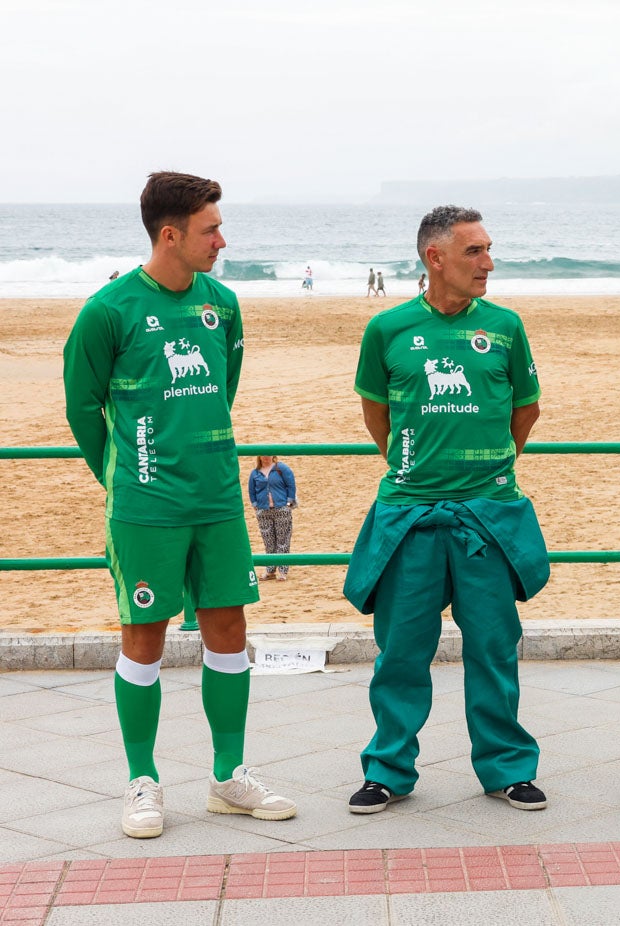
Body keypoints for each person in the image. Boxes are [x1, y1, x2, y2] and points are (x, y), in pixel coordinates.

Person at [62, 171, 296, 840]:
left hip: (220, 500)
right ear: (171, 234)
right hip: (145, 507)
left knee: (229, 632)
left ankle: (228, 777)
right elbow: (84, 409)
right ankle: (143, 781)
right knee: (145, 637)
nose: (221, 240)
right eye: (210, 230)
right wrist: (127, 477)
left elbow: (223, 389)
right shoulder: (108, 310)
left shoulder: (222, 303)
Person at [344, 205, 550, 815]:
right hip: (410, 514)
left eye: (488, 250)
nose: (487, 263)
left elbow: (526, 411)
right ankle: (388, 770)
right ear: (435, 258)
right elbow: (376, 416)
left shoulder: (507, 327)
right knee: (401, 651)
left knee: (493, 646)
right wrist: (418, 469)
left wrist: (486, 469)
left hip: (487, 514)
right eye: (474, 252)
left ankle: (507, 769)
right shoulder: (388, 330)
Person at [247, 455, 297, 580]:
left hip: (281, 509)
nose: (266, 457)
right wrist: (255, 505)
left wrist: (289, 502)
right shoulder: (255, 473)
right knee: (268, 541)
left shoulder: (282, 469)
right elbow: (252, 491)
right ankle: (270, 570)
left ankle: (282, 571)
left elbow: (291, 484)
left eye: (268, 454)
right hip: (264, 511)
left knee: (283, 540)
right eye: (263, 455)